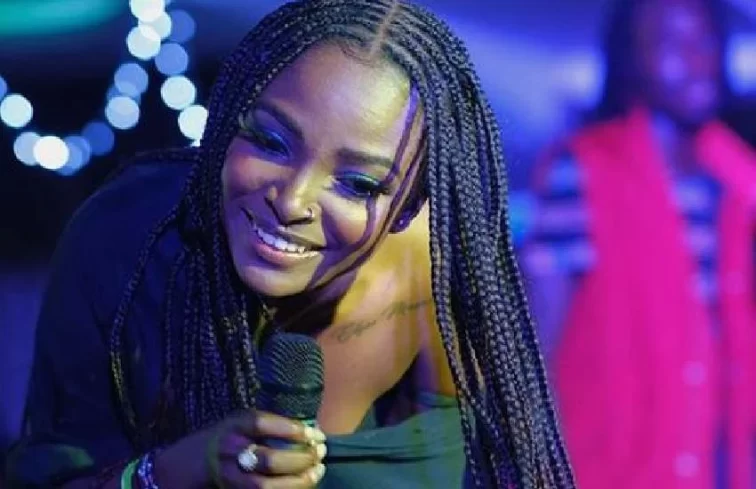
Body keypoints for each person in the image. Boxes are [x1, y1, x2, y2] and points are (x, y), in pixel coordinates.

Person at [4, 1, 576, 488]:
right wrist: (175, 470)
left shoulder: (441, 281)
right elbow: (51, 471)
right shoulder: (128, 241)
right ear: (228, 119)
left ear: (407, 207)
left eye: (358, 184)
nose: (293, 199)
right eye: (270, 141)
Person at [524, 0, 756, 488]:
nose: (697, 59)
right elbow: (535, 340)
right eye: (671, 43)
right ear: (632, 58)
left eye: (705, 40)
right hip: (606, 470)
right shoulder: (583, 171)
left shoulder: (738, 185)